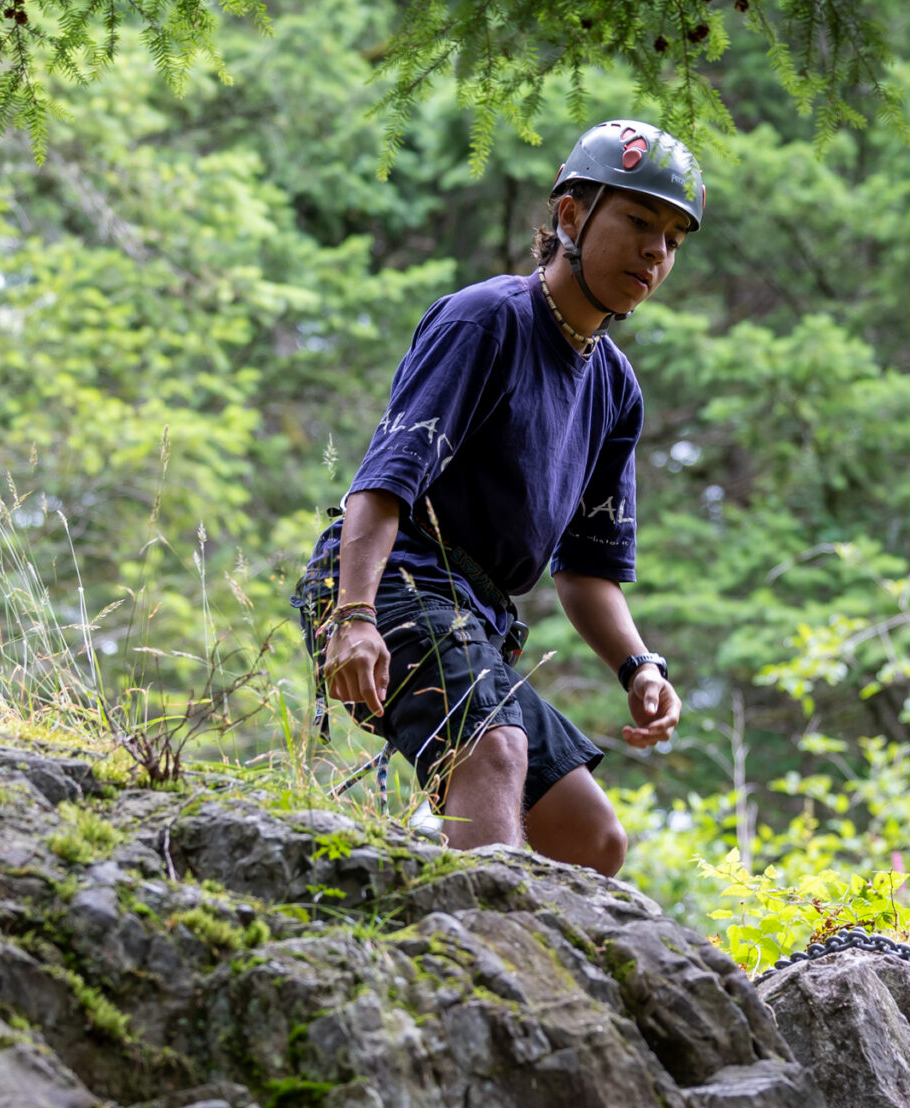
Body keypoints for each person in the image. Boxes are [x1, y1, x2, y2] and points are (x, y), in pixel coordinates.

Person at [294, 119, 701, 877]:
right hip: (390, 580)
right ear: (571, 216)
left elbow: (587, 571)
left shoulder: (615, 389)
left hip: (475, 614)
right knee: (494, 747)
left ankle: (445, 879)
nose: (656, 251)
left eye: (674, 239)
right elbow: (382, 481)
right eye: (639, 221)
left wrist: (640, 666)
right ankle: (480, 937)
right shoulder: (486, 319)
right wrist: (352, 616)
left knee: (593, 838)